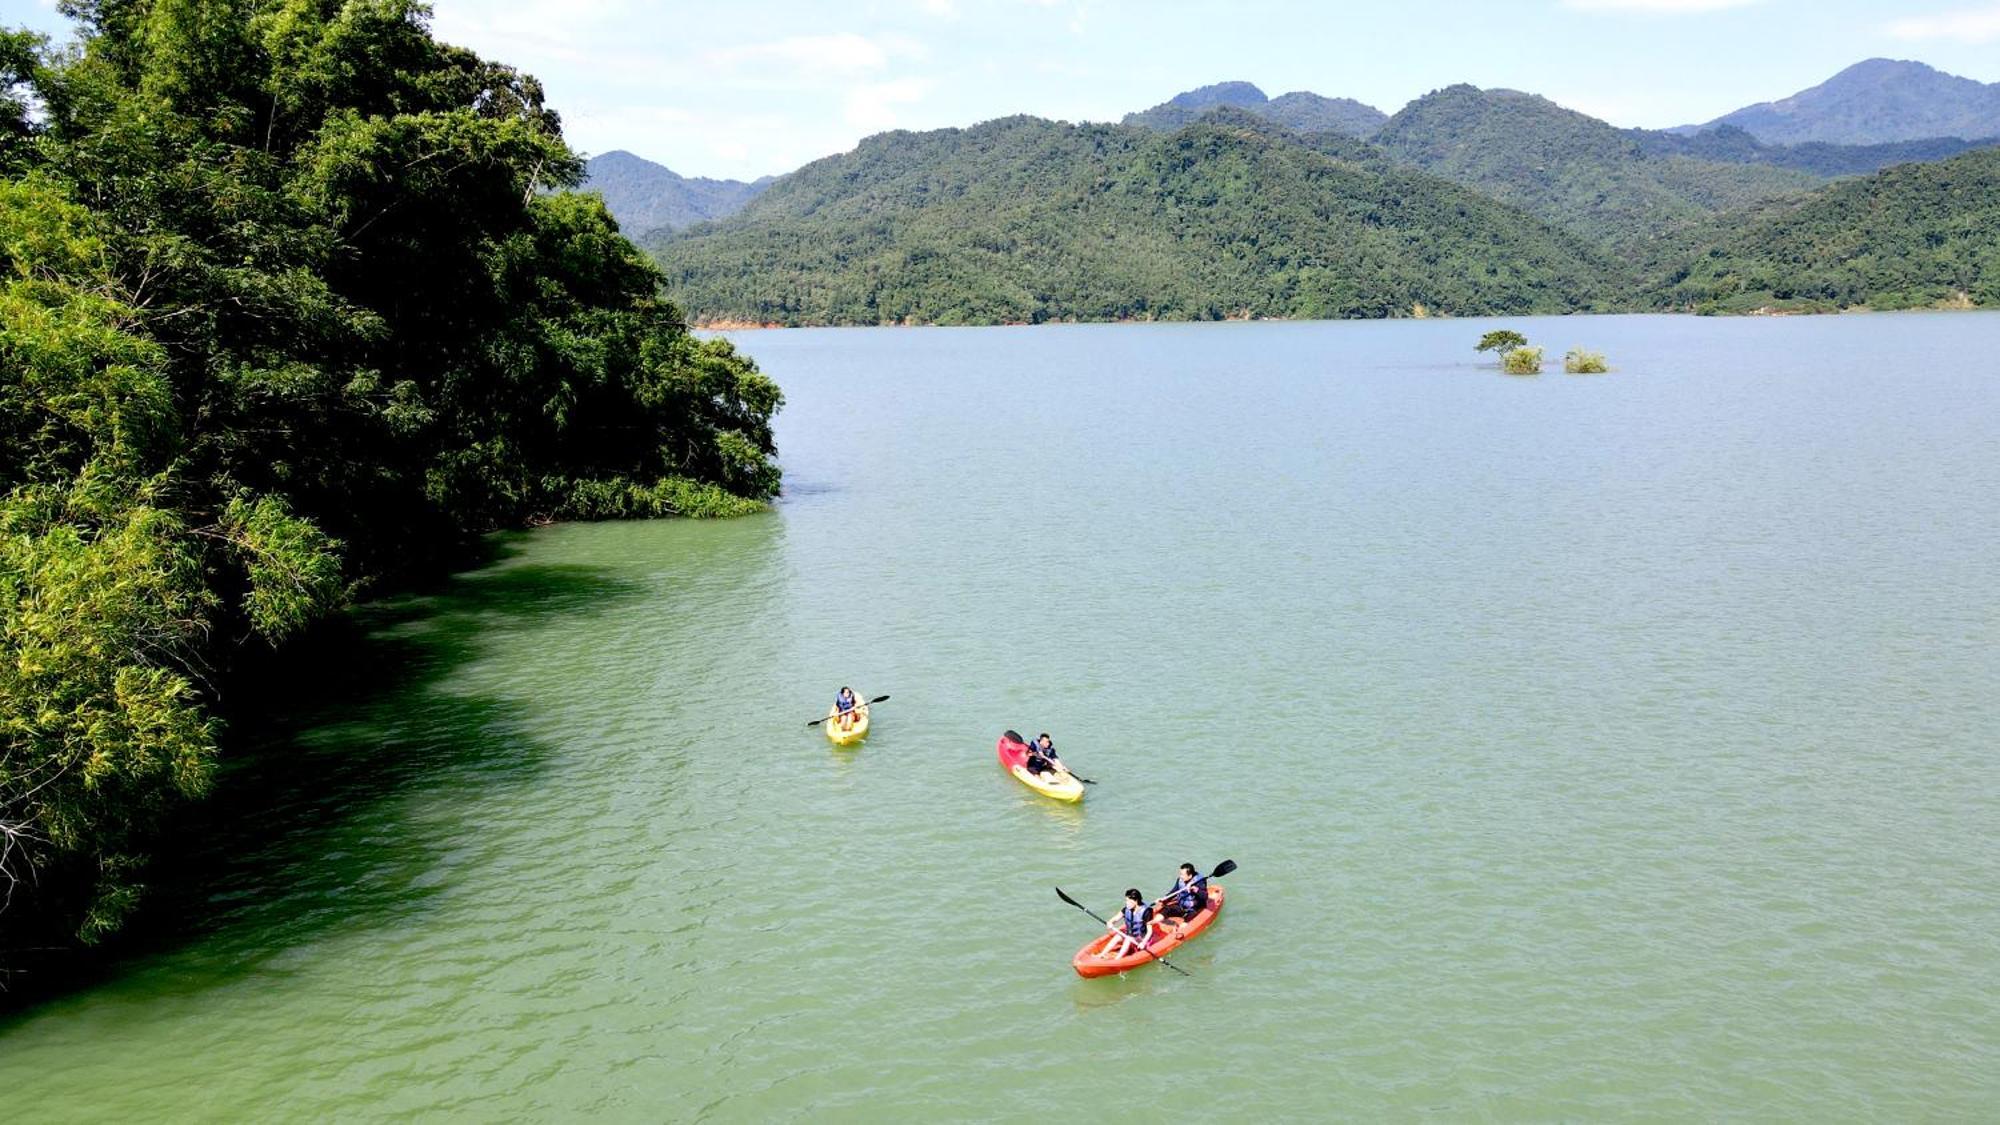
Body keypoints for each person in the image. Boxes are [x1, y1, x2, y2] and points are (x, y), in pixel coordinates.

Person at [1153, 863, 1209, 935]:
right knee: (1166, 909)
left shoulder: (1200, 882)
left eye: (1182, 874)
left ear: (1190, 876)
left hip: (1194, 908)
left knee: (1187, 921)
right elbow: (1174, 892)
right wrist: (1164, 899)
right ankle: (1152, 922)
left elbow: (1205, 896)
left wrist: (1196, 890)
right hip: (1181, 905)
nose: (1180, 876)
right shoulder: (1180, 880)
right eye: (1180, 873)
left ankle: (1176, 933)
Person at [1100, 888, 1157, 959]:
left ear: (1136, 901)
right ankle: (1101, 954)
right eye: (1126, 900)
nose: (1127, 903)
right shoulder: (1127, 909)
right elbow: (1116, 918)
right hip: (1130, 935)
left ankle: (1117, 959)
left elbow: (1150, 931)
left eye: (1128, 901)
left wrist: (1143, 942)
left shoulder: (1146, 912)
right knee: (1118, 936)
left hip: (1141, 938)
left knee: (1128, 939)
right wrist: (1110, 922)